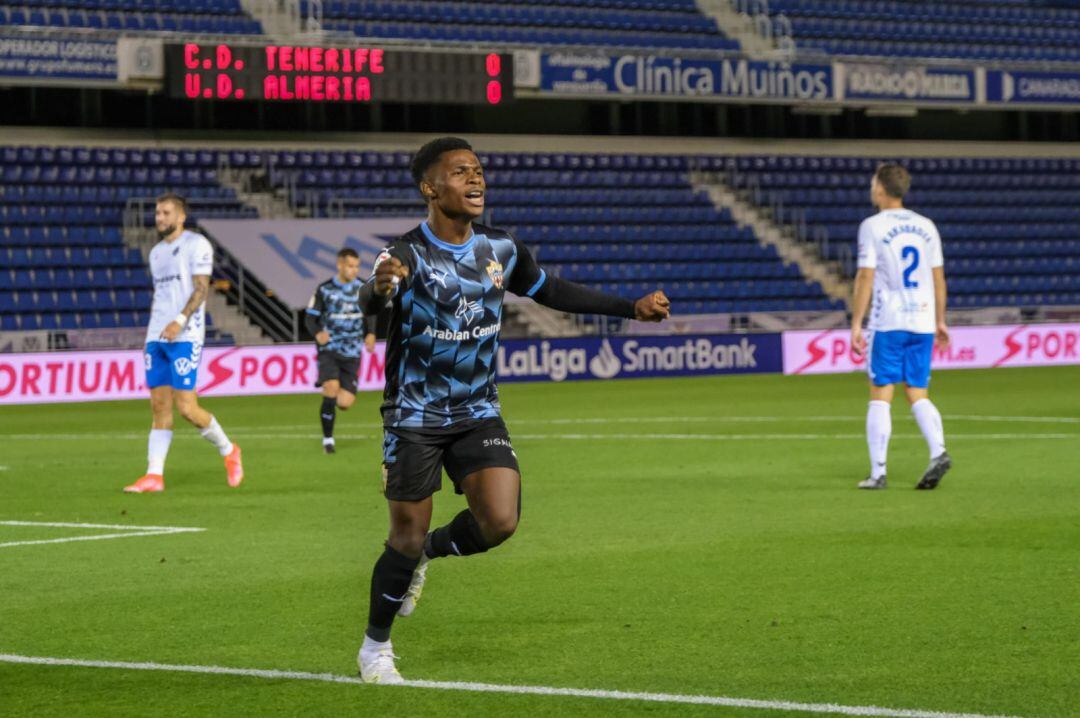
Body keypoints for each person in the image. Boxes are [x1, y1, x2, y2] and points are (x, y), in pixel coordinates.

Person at [354, 137, 670, 684]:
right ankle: (374, 650)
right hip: (415, 417)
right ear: (431, 188)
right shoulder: (404, 253)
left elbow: (550, 290)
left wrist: (629, 309)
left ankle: (427, 554)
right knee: (400, 536)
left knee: (499, 521)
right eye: (460, 172)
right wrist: (380, 289)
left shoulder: (502, 248)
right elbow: (373, 296)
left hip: (478, 409)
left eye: (478, 171)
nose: (475, 180)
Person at [124, 193, 244, 493]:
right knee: (159, 406)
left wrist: (179, 320)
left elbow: (202, 289)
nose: (159, 218)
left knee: (187, 408)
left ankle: (229, 450)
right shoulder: (155, 253)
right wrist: (159, 328)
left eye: (165, 212)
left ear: (181, 217)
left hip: (185, 335)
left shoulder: (196, 244)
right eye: (156, 213)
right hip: (156, 336)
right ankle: (154, 475)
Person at [850, 163, 951, 491]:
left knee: (881, 394)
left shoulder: (872, 226)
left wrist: (855, 324)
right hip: (922, 320)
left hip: (889, 320)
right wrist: (939, 320)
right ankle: (938, 451)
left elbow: (865, 276)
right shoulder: (927, 226)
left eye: (872, 183)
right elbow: (937, 277)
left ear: (880, 188)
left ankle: (878, 472)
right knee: (917, 391)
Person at [305, 247, 378, 454]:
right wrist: (318, 332)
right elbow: (310, 317)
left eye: (356, 266)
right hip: (329, 349)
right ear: (339, 265)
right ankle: (328, 440)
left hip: (353, 352)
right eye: (350, 266)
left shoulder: (363, 288)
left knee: (344, 402)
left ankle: (329, 397)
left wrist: (370, 333)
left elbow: (370, 313)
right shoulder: (325, 289)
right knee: (331, 388)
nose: (354, 270)